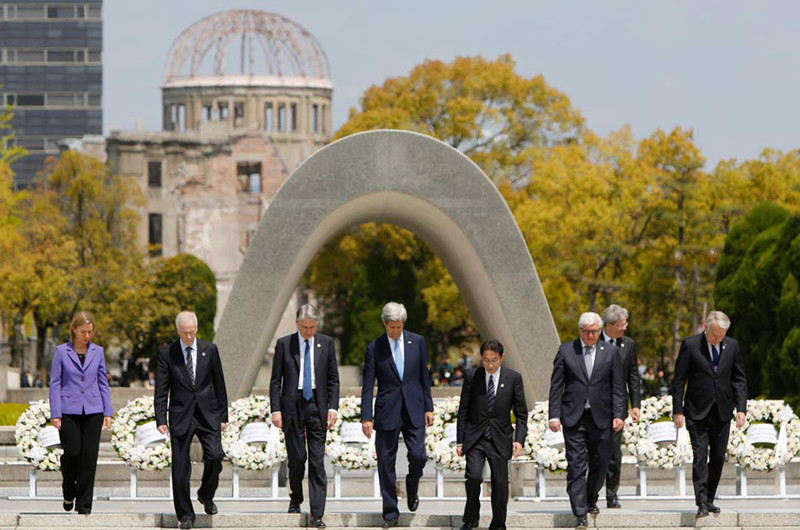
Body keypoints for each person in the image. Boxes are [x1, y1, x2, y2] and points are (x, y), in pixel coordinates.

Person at [548, 312, 625, 530]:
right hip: (574, 417)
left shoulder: (610, 352)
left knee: (601, 463)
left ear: (600, 331)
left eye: (594, 331)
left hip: (602, 417)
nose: (590, 335)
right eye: (586, 331)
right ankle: (580, 512)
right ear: (580, 330)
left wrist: (619, 414)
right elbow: (556, 385)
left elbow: (618, 386)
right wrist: (554, 415)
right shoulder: (566, 350)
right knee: (576, 465)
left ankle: (591, 497)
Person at [361, 302, 434, 529]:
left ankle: (412, 486)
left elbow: (424, 377)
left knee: (419, 455)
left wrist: (428, 407)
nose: (395, 331)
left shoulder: (417, 342)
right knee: (386, 463)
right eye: (392, 327)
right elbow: (367, 385)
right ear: (385, 324)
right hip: (387, 410)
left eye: (399, 327)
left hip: (414, 407)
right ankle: (390, 513)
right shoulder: (375, 348)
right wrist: (366, 416)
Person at [155, 311, 228, 530]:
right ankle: (185, 514)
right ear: (178, 330)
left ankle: (206, 494)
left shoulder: (209, 350)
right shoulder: (168, 354)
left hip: (208, 413)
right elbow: (161, 389)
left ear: (196, 329)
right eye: (184, 332)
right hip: (180, 414)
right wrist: (160, 417)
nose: (188, 336)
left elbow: (219, 384)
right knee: (180, 467)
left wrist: (223, 415)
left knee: (215, 456)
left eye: (191, 332)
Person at [670, 311, 747, 517]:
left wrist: (741, 408)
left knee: (718, 457)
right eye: (714, 335)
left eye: (721, 335)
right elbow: (679, 380)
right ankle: (701, 501)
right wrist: (678, 410)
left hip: (721, 411)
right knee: (700, 455)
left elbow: (739, 379)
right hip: (697, 411)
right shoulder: (691, 345)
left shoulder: (732, 346)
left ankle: (710, 498)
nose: (717, 339)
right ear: (707, 327)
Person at [270, 304, 340, 528]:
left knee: (317, 461)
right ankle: (296, 497)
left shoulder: (326, 344)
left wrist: (333, 407)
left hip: (317, 405)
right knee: (297, 459)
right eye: (304, 327)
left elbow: (333, 379)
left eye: (311, 327)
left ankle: (318, 512)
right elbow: (275, 381)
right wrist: (276, 410)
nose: (308, 331)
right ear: (297, 324)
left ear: (316, 324)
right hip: (293, 404)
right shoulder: (284, 344)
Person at [456, 339, 527, 530]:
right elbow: (463, 410)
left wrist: (519, 440)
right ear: (481, 358)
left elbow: (521, 413)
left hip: (500, 438)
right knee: (473, 477)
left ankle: (498, 522)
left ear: (502, 358)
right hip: (475, 437)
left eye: (494, 360)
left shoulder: (513, 378)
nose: (490, 364)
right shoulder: (472, 376)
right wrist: (460, 440)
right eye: (486, 360)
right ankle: (470, 518)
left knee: (500, 482)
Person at [49, 311, 113, 515]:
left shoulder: (98, 352)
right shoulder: (61, 351)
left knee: (89, 457)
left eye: (90, 332)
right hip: (68, 410)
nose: (87, 336)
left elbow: (103, 382)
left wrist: (107, 411)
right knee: (73, 452)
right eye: (83, 331)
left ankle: (84, 505)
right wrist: (55, 413)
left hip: (93, 410)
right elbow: (55, 383)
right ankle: (69, 488)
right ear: (74, 329)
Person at [599, 304, 641, 509]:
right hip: (595, 405)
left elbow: (633, 376)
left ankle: (611, 495)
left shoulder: (628, 344)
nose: (625, 327)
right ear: (609, 325)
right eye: (622, 324)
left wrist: (636, 405)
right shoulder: (592, 342)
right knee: (595, 451)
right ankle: (590, 493)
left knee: (615, 453)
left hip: (618, 407)